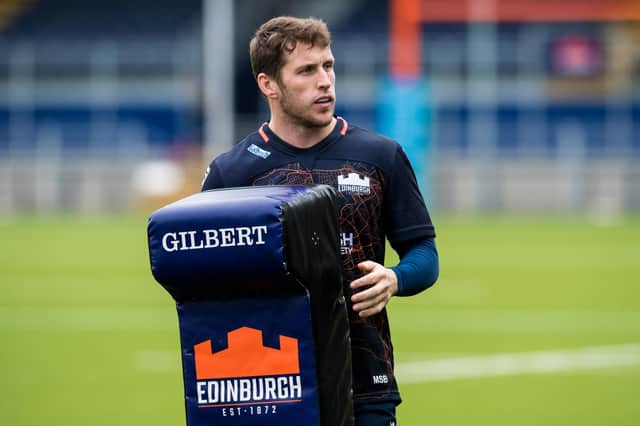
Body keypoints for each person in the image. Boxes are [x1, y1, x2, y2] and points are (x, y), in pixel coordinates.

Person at [201, 16, 439, 426]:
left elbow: (425, 253)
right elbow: (203, 274)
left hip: (365, 380)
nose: (325, 80)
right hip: (267, 382)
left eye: (328, 66)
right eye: (307, 70)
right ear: (268, 85)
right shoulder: (231, 173)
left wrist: (395, 278)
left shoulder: (381, 156)